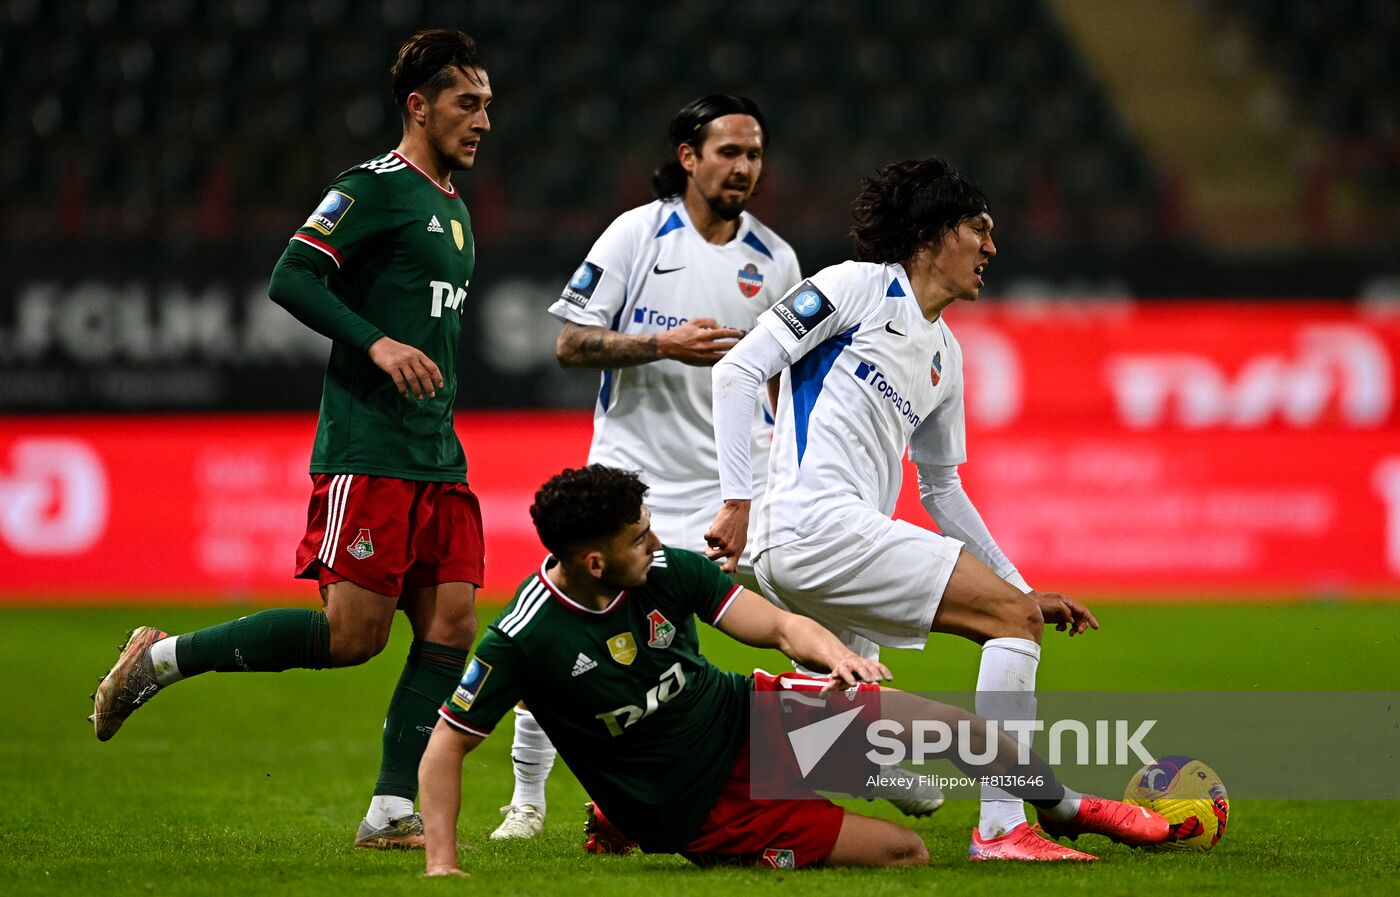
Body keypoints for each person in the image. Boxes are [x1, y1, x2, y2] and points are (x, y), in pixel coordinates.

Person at [90, 29, 493, 851]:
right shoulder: (372, 188)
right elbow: (291, 275)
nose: (484, 120)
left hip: (436, 452)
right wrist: (376, 342)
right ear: (418, 106)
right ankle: (162, 657)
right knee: (354, 638)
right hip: (369, 448)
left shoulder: (451, 206)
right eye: (467, 103)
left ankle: (390, 811)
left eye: (488, 105)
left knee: (452, 622)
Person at [417, 465, 1167, 874]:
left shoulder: (665, 569)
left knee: (969, 740)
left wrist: (834, 654)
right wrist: (442, 866)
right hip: (703, 809)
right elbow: (447, 743)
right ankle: (626, 817)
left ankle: (1066, 811)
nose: (656, 544)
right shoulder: (523, 638)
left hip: (750, 717)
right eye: (638, 537)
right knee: (905, 850)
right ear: (593, 560)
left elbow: (772, 623)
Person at [704, 157, 1113, 859]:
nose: (991, 247)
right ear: (932, 233)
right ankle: (1003, 825)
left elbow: (941, 489)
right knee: (1010, 625)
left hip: (826, 543)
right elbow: (738, 368)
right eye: (978, 229)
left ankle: (652, 798)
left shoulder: (946, 356)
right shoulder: (853, 287)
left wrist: (1019, 584)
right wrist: (736, 499)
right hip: (814, 524)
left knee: (842, 741)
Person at [490, 95, 809, 840]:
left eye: (754, 153)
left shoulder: (777, 258)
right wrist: (665, 346)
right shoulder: (639, 233)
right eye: (728, 151)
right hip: (632, 485)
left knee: (785, 618)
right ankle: (527, 801)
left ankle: (824, 769)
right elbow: (571, 343)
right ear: (689, 156)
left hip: (734, 488)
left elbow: (783, 379)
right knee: (567, 637)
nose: (743, 167)